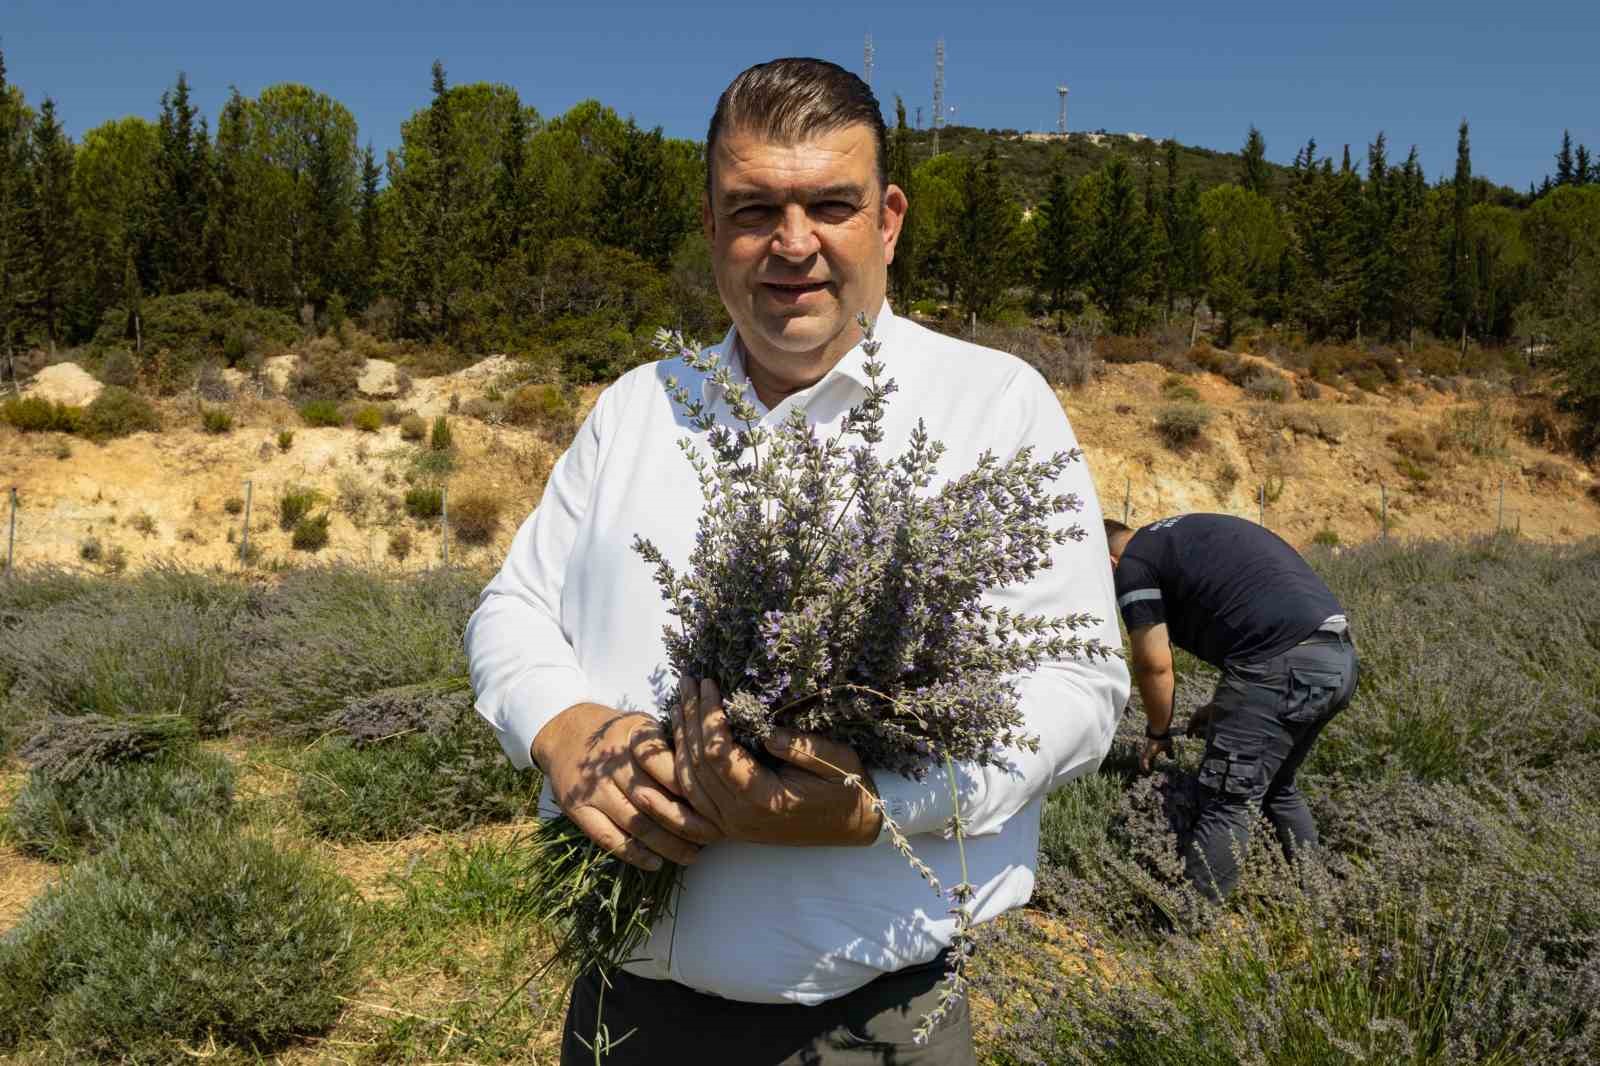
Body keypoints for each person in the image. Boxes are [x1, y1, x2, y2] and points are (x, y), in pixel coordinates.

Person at [465, 57, 1129, 1066]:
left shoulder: (991, 407)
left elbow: (1078, 687)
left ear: (888, 218)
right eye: (754, 209)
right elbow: (512, 608)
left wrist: (874, 809)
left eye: (829, 203)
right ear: (709, 223)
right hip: (624, 1004)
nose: (792, 243)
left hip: (870, 1023)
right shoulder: (639, 407)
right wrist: (562, 729)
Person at [1103, 513, 1359, 900]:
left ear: (1108, 565)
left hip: (1282, 665)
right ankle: (1318, 902)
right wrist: (1228, 704)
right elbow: (1253, 614)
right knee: (1276, 787)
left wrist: (1158, 731)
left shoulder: (1134, 565)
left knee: (1228, 797)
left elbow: (1153, 664)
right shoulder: (1177, 534)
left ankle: (1190, 924)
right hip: (1338, 657)